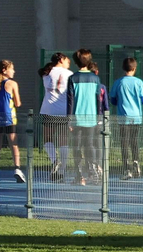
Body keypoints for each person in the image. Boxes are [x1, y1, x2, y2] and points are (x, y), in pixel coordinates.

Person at [65, 49, 105, 185]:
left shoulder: (72, 78)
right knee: (89, 145)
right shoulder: (96, 79)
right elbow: (98, 99)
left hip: (77, 118)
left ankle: (79, 175)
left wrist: (69, 119)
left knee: (76, 146)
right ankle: (94, 171)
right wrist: (99, 117)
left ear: (76, 62)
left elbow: (70, 100)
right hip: (92, 118)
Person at [109, 57, 143, 179]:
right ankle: (136, 163)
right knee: (134, 141)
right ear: (134, 68)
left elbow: (113, 100)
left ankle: (126, 168)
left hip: (123, 116)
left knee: (124, 142)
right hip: (136, 116)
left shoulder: (118, 82)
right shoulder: (138, 82)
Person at [38, 52, 71, 181]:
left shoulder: (47, 73)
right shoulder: (69, 74)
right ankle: (61, 170)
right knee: (64, 140)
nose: (68, 63)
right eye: (67, 60)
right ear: (61, 59)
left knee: (47, 138)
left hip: (49, 109)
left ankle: (54, 161)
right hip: (63, 110)